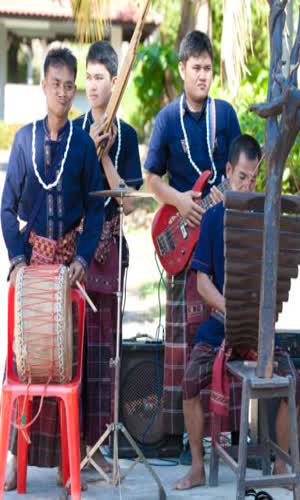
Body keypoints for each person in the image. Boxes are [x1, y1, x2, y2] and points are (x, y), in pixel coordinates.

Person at [1, 47, 104, 490]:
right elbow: (7, 207)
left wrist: (81, 258)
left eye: (69, 86)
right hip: (32, 269)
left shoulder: (82, 145)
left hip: (68, 271)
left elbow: (96, 208)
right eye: (55, 84)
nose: (62, 93)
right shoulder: (24, 140)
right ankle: (12, 459)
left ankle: (67, 463)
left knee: (70, 363)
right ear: (43, 85)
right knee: (20, 361)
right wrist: (16, 260)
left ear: (73, 90)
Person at [174, 134, 300, 490]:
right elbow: (202, 283)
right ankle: (197, 467)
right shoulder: (214, 218)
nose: (248, 184)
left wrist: (258, 313)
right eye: (242, 177)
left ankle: (279, 464)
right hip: (221, 325)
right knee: (189, 381)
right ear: (228, 172)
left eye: (253, 178)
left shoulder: (266, 218)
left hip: (257, 330)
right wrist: (231, 309)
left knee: (292, 380)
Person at [143, 30, 241, 434]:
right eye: (196, 68)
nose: (203, 75)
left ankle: (221, 431)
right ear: (182, 68)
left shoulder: (226, 115)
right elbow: (151, 178)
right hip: (182, 243)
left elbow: (240, 171)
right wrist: (181, 202)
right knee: (183, 339)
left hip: (221, 241)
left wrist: (229, 191)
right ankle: (180, 434)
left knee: (220, 335)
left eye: (208, 68)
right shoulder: (167, 119)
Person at [73, 40, 143, 472]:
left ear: (115, 82)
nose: (92, 85)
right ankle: (72, 447)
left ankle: (99, 447)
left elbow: (130, 203)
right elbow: (69, 193)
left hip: (112, 251)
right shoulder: (75, 130)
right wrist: (88, 147)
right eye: (89, 77)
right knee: (76, 349)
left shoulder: (128, 136)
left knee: (107, 354)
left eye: (100, 77)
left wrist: (103, 158)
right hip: (77, 253)